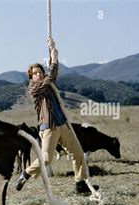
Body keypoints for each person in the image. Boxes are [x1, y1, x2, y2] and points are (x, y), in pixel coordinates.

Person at [15, 38, 98, 194]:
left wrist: (52, 49)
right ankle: (26, 173)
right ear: (31, 77)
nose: (38, 75)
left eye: (40, 72)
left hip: (63, 125)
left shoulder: (48, 84)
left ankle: (80, 184)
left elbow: (51, 77)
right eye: (35, 73)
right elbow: (50, 77)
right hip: (49, 127)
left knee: (78, 154)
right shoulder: (34, 89)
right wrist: (54, 58)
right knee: (46, 159)